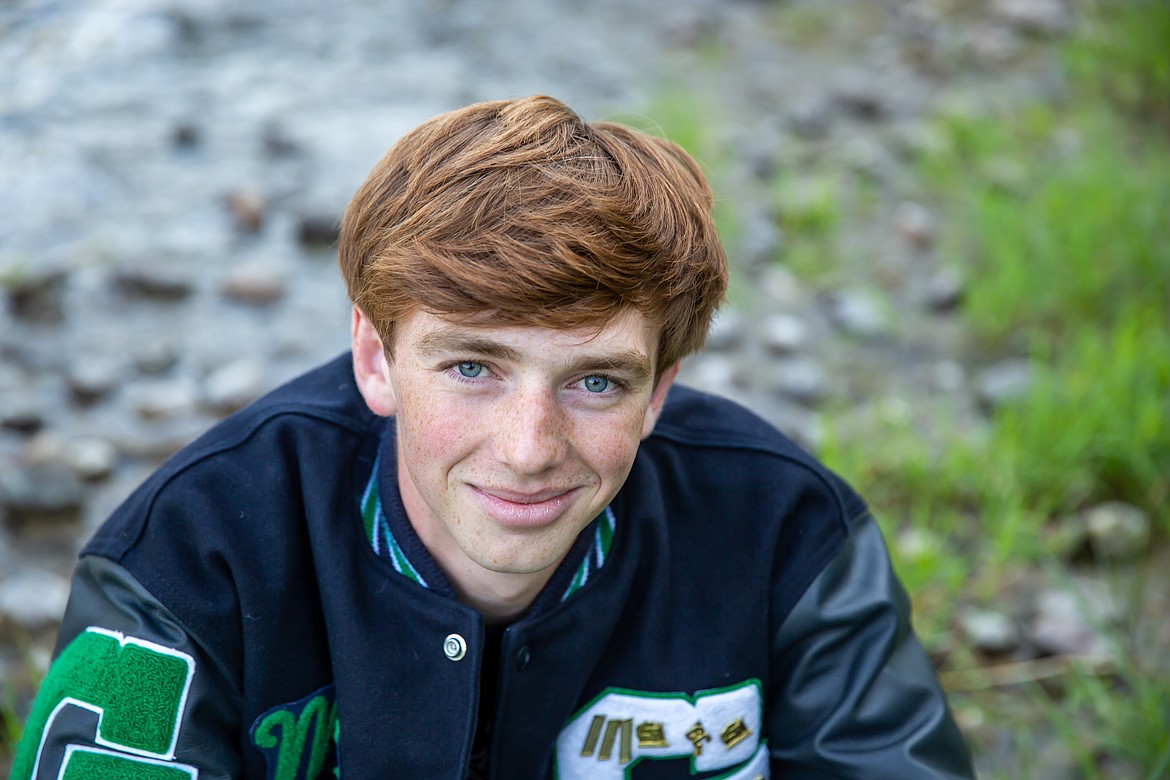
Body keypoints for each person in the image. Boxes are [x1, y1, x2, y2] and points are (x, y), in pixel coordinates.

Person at [13, 95, 974, 779]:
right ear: (376, 359)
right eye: (473, 367)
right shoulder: (180, 566)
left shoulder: (790, 534)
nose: (527, 447)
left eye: (595, 381)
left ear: (659, 392)